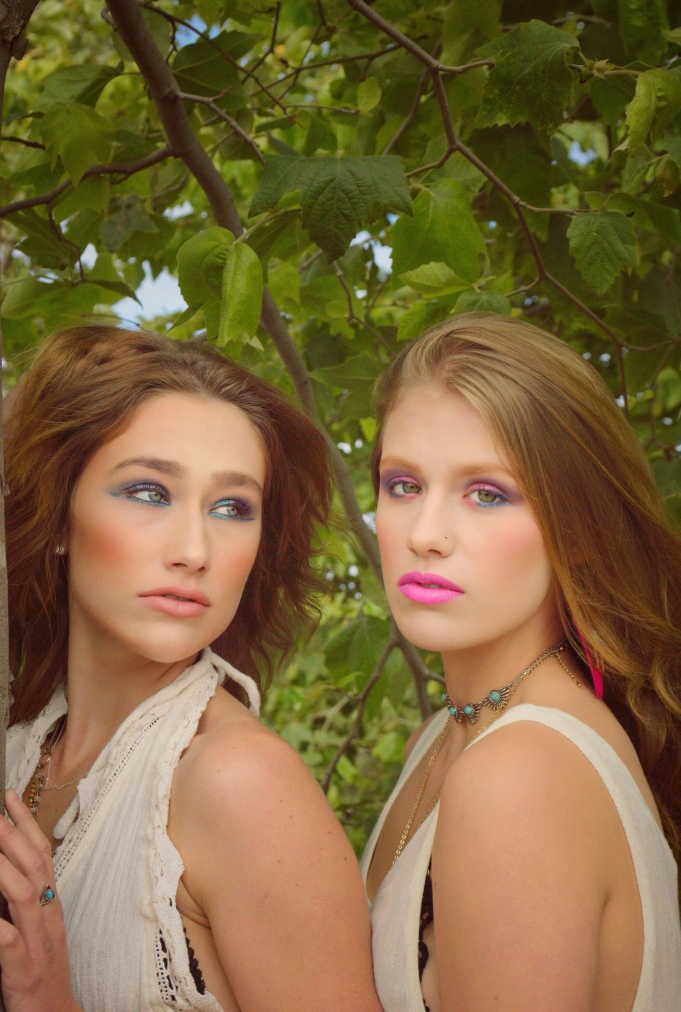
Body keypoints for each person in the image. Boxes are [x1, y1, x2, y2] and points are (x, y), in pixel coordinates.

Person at [0, 324, 383, 1012]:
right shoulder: (23, 744)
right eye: (149, 492)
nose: (194, 549)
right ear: (58, 518)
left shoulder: (239, 784)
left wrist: (47, 999)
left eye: (232, 507)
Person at [361, 313, 681, 1012]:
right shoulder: (447, 736)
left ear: (579, 526)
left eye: (487, 494)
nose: (424, 535)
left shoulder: (519, 773)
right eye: (402, 484)